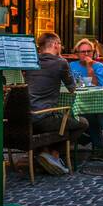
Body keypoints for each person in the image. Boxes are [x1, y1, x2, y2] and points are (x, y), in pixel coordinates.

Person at [25, 33, 89, 176]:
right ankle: (54, 154)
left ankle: (43, 152)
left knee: (60, 123)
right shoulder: (61, 63)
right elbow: (72, 88)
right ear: (55, 44)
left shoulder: (30, 62)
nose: (61, 47)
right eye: (60, 44)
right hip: (44, 118)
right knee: (83, 123)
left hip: (26, 118)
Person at [70, 38, 103, 155]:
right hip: (78, 102)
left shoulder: (99, 66)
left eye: (89, 51)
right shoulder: (71, 65)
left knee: (93, 116)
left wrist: (90, 68)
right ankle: (96, 145)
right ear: (77, 53)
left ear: (93, 52)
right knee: (72, 118)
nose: (86, 54)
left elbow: (99, 87)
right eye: (83, 52)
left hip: (97, 102)